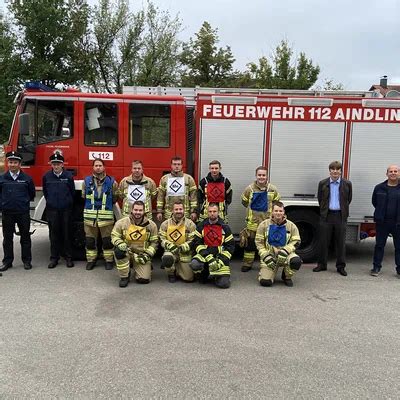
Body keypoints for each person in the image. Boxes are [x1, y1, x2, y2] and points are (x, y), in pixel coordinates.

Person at [314, 161, 352, 276]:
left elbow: (348, 199)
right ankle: (322, 264)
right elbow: (320, 199)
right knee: (323, 241)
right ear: (329, 171)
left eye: (338, 169)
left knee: (340, 243)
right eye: (333, 169)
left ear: (341, 171)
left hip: (340, 216)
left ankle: (340, 266)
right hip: (327, 216)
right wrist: (325, 211)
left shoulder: (347, 184)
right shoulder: (323, 183)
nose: (335, 171)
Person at [240, 166, 280, 272]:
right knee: (250, 244)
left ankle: (266, 265)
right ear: (256, 176)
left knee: (267, 244)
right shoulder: (249, 189)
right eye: (259, 175)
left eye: (263, 175)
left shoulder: (273, 189)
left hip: (268, 223)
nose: (261, 177)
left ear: (267, 176)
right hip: (252, 223)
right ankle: (247, 264)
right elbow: (244, 202)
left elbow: (277, 204)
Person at [0, 151, 35, 271]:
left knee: (25, 238)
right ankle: (7, 262)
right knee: (7, 238)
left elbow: (31, 194)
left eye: (15, 162)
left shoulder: (27, 179)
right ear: (7, 163)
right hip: (7, 213)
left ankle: (26, 261)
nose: (12, 164)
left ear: (19, 164)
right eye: (10, 162)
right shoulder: (2, 178)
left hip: (22, 213)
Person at [82, 158, 118, 270]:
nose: (98, 167)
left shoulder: (112, 182)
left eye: (100, 165)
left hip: (106, 218)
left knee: (107, 241)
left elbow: (115, 198)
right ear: (93, 167)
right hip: (90, 218)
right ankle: (91, 260)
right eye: (96, 165)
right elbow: (84, 196)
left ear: (104, 167)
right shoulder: (86, 181)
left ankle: (108, 260)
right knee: (90, 241)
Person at [111, 200, 158, 287]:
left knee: (144, 280)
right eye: (136, 210)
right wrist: (120, 243)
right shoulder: (122, 223)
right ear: (131, 210)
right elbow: (114, 236)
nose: (138, 212)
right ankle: (124, 276)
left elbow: (154, 243)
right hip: (127, 252)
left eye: (140, 210)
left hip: (141, 255)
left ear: (144, 211)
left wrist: (147, 255)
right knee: (119, 252)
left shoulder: (152, 225)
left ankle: (145, 266)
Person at [255, 201, 302, 287]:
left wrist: (285, 251)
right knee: (265, 282)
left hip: (285, 254)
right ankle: (266, 273)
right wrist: (266, 256)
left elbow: (296, 241)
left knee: (296, 261)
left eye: (280, 211)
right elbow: (259, 243)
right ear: (272, 211)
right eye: (276, 211)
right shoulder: (263, 225)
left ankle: (286, 276)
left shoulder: (291, 226)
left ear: (284, 212)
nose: (278, 213)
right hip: (270, 256)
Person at [190, 203, 235, 289]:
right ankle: (205, 271)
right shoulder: (201, 226)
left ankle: (217, 274)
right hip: (205, 256)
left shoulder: (225, 227)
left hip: (219, 257)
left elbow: (230, 247)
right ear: (207, 212)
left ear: (218, 212)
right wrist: (208, 257)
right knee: (195, 264)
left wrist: (220, 261)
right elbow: (197, 243)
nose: (212, 213)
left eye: (214, 211)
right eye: (210, 211)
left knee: (224, 284)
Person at [42, 153, 75, 269]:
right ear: (51, 165)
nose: (56, 166)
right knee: (53, 235)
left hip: (66, 210)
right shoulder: (47, 176)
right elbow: (45, 192)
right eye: (54, 164)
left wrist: (67, 203)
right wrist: (51, 202)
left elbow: (72, 192)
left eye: (58, 164)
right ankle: (54, 258)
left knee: (67, 234)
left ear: (62, 164)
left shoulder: (68, 176)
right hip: (52, 210)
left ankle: (69, 258)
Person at [370, 165, 400, 277]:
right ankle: (376, 267)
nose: (393, 173)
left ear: (399, 174)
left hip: (398, 223)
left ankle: (399, 269)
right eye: (390, 171)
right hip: (382, 222)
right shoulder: (379, 188)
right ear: (386, 174)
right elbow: (374, 202)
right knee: (379, 245)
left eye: (395, 171)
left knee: (399, 247)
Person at [159, 201, 197, 283]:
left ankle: (178, 269)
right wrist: (170, 246)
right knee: (167, 258)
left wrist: (182, 247)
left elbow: (193, 240)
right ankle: (171, 273)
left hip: (184, 253)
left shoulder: (190, 224)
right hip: (171, 252)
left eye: (180, 209)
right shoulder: (165, 224)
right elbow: (161, 238)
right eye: (176, 209)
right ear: (172, 210)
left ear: (184, 210)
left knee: (188, 278)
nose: (178, 211)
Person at [156, 156, 197, 222]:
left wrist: (193, 211)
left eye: (178, 164)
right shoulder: (164, 179)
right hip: (169, 213)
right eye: (174, 164)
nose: (176, 166)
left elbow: (193, 197)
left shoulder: (188, 179)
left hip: (185, 213)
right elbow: (160, 196)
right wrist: (159, 211)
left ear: (182, 165)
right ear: (171, 165)